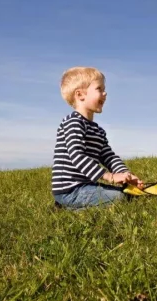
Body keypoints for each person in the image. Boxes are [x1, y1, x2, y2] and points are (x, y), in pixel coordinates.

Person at [52, 66, 143, 210]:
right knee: (121, 198)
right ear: (80, 95)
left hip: (87, 186)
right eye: (99, 89)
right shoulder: (73, 122)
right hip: (70, 190)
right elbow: (77, 156)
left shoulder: (98, 130)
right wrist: (109, 176)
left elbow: (108, 156)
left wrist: (126, 175)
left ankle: (69, 206)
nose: (105, 93)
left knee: (126, 192)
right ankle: (66, 207)